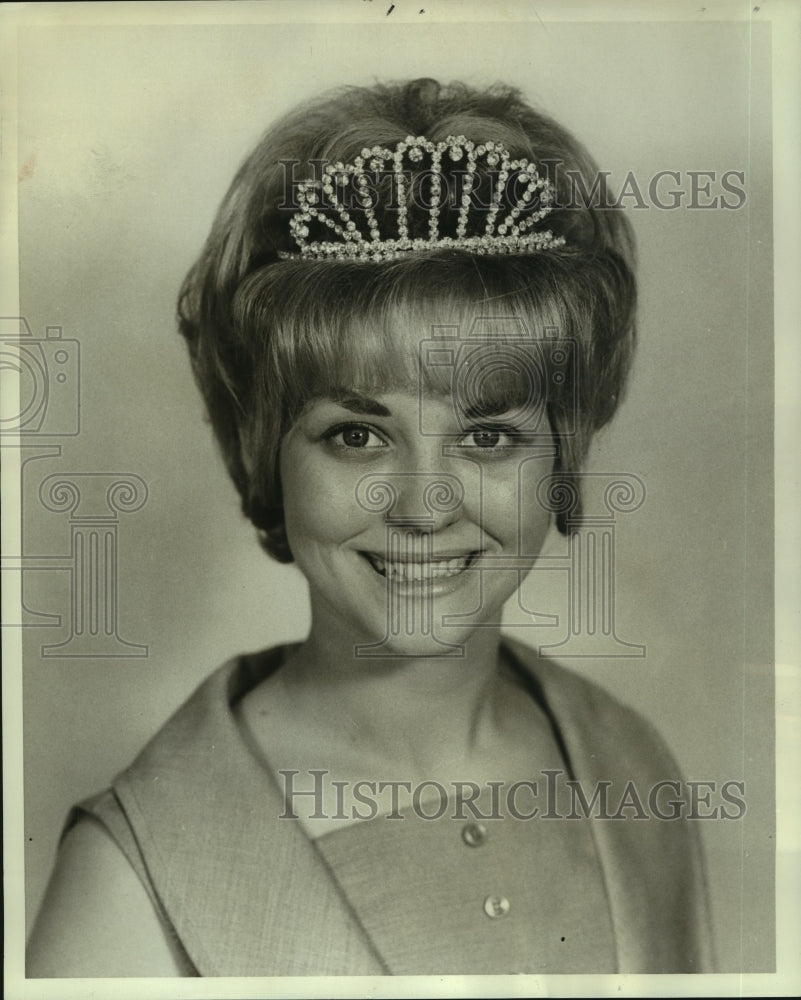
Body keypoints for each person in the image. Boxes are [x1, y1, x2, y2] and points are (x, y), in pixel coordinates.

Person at [26, 77, 715, 977]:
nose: (424, 506)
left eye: (487, 435)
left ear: (562, 452)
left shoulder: (631, 764)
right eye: (356, 436)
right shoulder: (132, 878)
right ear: (268, 451)